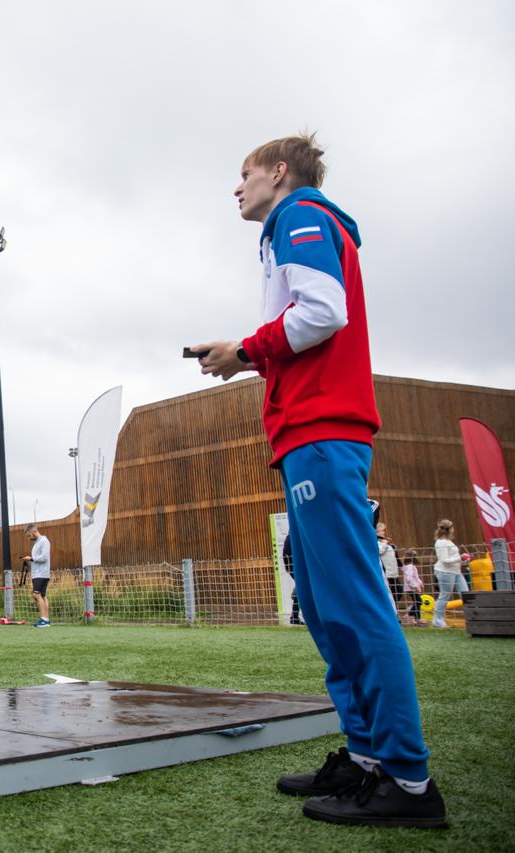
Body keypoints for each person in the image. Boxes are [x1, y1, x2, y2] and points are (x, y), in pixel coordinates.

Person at [191, 134, 444, 827]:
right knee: (328, 609)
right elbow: (310, 320)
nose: (237, 187)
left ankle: (408, 781)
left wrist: (246, 349)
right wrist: (247, 356)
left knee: (354, 605)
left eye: (245, 173)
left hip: (323, 432)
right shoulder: (294, 225)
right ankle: (368, 759)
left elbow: (324, 311)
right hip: (309, 436)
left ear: (279, 172)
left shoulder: (298, 215)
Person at [431, 519, 466, 629]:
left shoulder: (448, 541)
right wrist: (460, 558)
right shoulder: (441, 543)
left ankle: (472, 618)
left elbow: (453, 558)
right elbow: (444, 560)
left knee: (466, 594)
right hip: (445, 572)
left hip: (456, 571)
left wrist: (463, 560)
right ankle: (437, 621)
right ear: (450, 529)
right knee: (445, 595)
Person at [23, 524, 52, 627]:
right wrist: (30, 560)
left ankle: (43, 619)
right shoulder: (37, 542)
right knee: (42, 596)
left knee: (36, 595)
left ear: (34, 532)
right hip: (38, 573)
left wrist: (31, 559)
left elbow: (44, 557)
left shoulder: (44, 541)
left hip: (41, 574)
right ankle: (46, 620)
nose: (28, 538)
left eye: (29, 535)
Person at [377, 523, 402, 613]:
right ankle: (390, 611)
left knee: (398, 592)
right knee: (391, 594)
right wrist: (385, 544)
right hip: (387, 574)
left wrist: (391, 545)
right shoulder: (377, 542)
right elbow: (379, 551)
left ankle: (392, 611)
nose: (384, 532)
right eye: (382, 531)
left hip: (393, 573)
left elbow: (393, 554)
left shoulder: (385, 541)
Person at [401, 549, 423, 626]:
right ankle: (409, 615)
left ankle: (417, 618)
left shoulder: (411, 566)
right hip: (411, 588)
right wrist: (415, 586)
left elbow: (416, 577)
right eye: (415, 556)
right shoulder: (410, 567)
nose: (417, 557)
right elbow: (409, 578)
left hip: (413, 587)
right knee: (419, 601)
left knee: (417, 602)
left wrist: (420, 583)